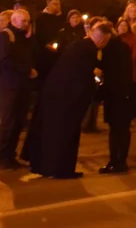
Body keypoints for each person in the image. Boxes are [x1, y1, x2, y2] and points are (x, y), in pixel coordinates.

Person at [25, 19, 113, 179]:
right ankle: (62, 169)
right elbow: (82, 78)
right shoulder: (88, 51)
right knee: (65, 135)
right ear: (102, 39)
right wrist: (96, 77)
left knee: (50, 133)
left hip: (54, 95)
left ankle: (44, 166)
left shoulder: (77, 45)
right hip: (68, 102)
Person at [0, 9, 35, 170]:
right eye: (23, 21)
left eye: (28, 21)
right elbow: (5, 61)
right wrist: (27, 70)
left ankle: (11, 155)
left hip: (21, 85)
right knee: (8, 122)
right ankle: (3, 157)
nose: (26, 24)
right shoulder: (5, 36)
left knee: (18, 122)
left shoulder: (24, 37)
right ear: (14, 20)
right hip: (7, 84)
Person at [100, 25, 134, 174]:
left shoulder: (114, 47)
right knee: (118, 129)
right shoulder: (115, 47)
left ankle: (118, 161)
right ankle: (117, 161)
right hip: (120, 92)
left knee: (118, 129)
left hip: (118, 92)